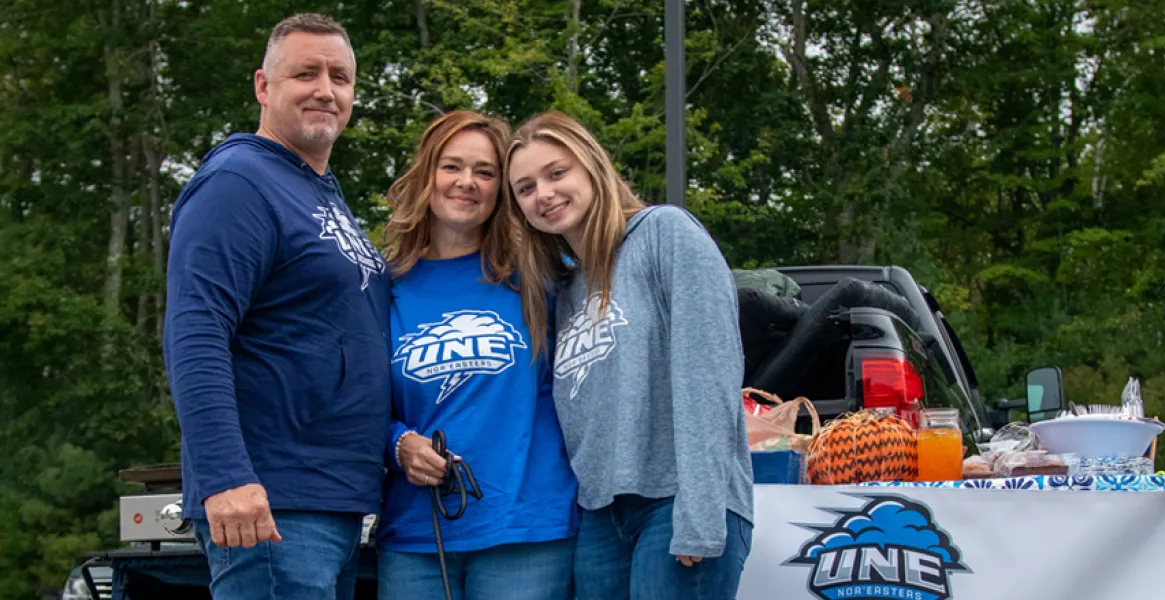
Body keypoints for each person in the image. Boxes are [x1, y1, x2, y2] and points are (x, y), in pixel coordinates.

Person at [163, 13, 389, 600]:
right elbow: (195, 331)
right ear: (264, 86)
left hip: (329, 502)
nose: (325, 89)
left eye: (340, 77)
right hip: (270, 503)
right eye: (305, 73)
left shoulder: (319, 190)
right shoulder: (239, 181)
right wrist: (226, 476)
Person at [504, 111, 754, 600]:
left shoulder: (664, 233)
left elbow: (710, 377)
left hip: (678, 503)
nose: (545, 194)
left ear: (592, 167)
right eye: (526, 188)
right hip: (602, 519)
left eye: (558, 173)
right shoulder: (567, 288)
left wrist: (700, 516)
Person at [375, 110, 579, 599]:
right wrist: (398, 444)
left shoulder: (542, 275)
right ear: (427, 175)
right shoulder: (383, 286)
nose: (467, 182)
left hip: (529, 530)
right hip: (415, 536)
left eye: (485, 172)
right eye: (452, 167)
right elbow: (360, 402)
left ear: (500, 189)